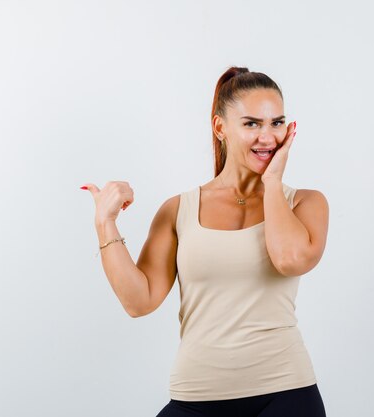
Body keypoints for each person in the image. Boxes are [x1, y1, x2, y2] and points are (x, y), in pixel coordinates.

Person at [81, 66, 329, 417]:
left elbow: (290, 259)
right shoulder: (178, 210)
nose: (268, 136)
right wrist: (104, 222)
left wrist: (272, 181)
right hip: (196, 397)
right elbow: (139, 301)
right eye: (251, 124)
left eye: (276, 123)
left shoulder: (305, 203)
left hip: (286, 393)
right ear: (220, 128)